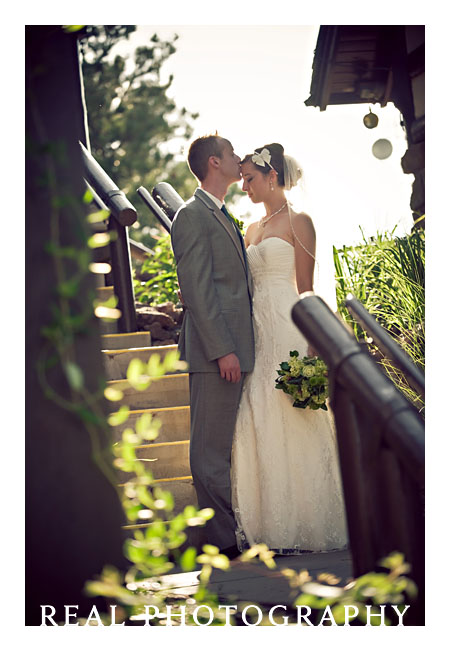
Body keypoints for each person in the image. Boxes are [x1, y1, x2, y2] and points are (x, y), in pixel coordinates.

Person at [231, 143, 348, 554]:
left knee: (297, 416)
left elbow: (307, 289)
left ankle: (313, 524)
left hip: (290, 329)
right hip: (257, 334)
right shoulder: (248, 230)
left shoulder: (300, 222)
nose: (243, 185)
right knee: (260, 415)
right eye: (242, 178)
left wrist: (314, 345)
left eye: (249, 178)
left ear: (272, 177)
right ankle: (271, 527)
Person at [170, 135, 254, 560]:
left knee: (222, 449)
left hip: (237, 348)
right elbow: (197, 292)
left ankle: (232, 532)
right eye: (234, 155)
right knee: (208, 452)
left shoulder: (221, 214)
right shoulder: (191, 215)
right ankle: (221, 542)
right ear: (216, 162)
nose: (241, 160)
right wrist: (222, 349)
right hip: (214, 354)